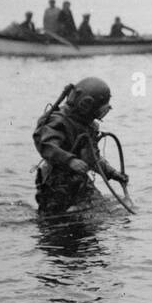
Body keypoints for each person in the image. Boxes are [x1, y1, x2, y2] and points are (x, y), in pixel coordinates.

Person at [33, 77, 128, 213]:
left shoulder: (87, 126)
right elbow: (46, 145)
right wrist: (70, 160)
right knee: (60, 219)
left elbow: (92, 158)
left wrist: (113, 173)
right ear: (86, 105)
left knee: (101, 208)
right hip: (55, 184)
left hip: (78, 181)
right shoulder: (58, 121)